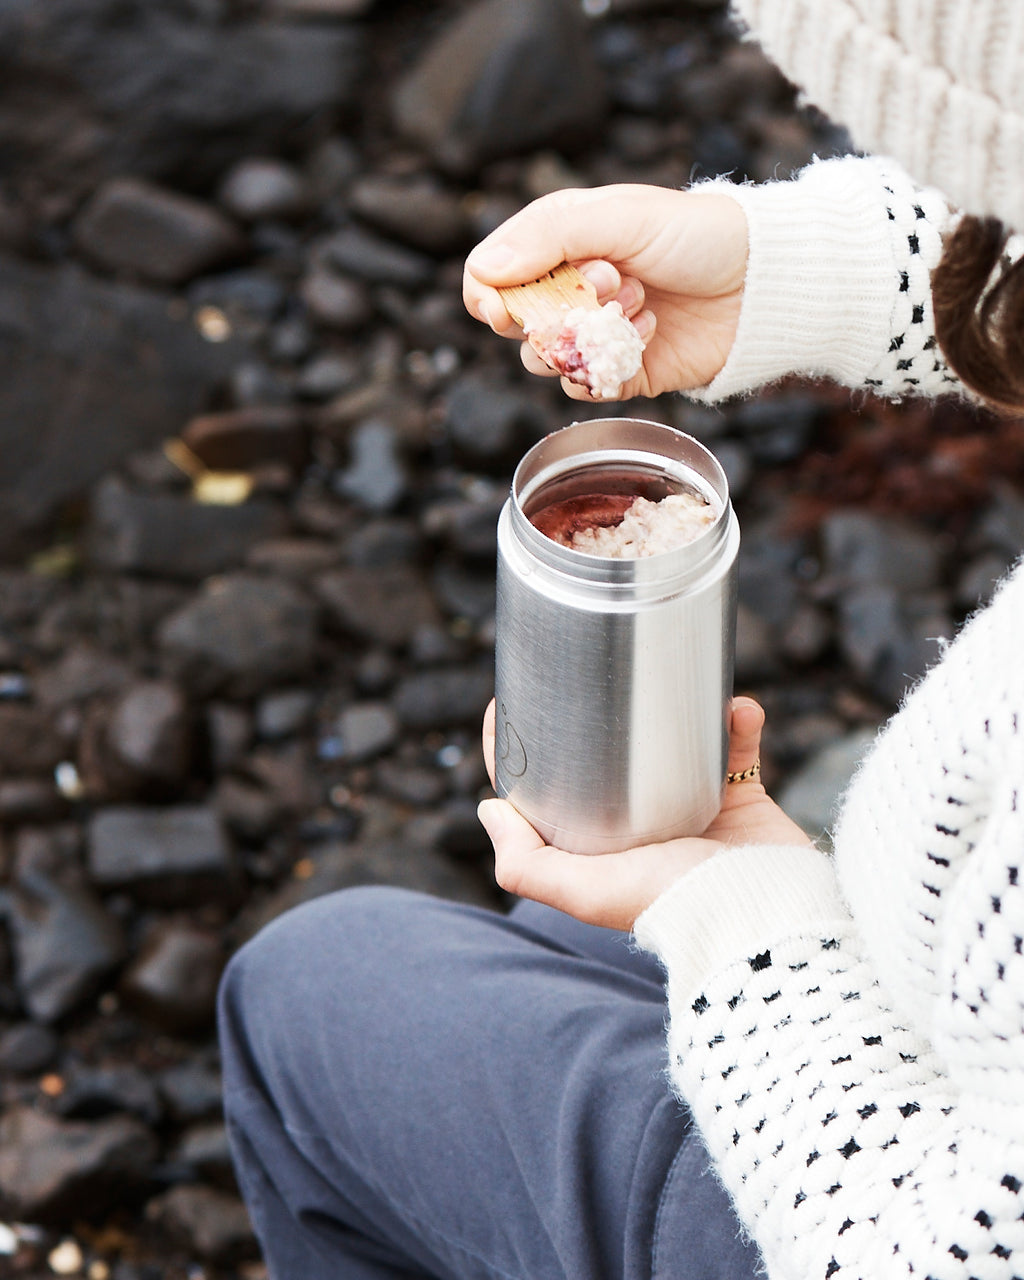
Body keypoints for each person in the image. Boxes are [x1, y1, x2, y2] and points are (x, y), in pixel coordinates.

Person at [218, 2, 1024, 1277]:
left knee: (305, 987)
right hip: (930, 990)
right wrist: (784, 266)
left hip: (864, 1196)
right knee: (564, 932)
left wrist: (745, 922)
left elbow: (948, 1254)